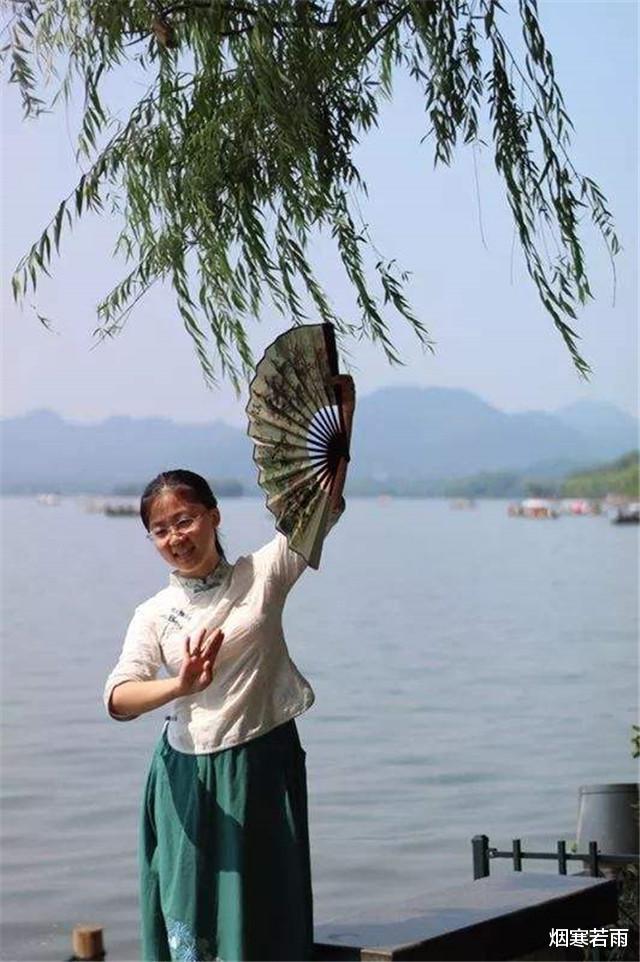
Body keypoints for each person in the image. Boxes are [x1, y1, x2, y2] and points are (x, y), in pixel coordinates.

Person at [103, 376, 355, 962]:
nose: (175, 537)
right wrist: (181, 685)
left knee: (265, 910)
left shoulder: (262, 573)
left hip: (261, 762)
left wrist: (344, 422)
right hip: (183, 777)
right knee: (190, 916)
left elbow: (317, 506)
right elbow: (118, 697)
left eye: (185, 520)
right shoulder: (154, 613)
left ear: (214, 516)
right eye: (160, 530)